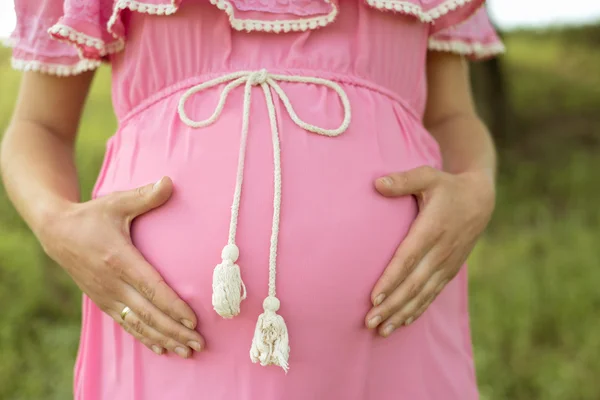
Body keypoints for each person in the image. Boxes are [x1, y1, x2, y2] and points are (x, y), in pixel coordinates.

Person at [2, 1, 504, 399]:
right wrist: (56, 223)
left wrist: (476, 188)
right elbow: (38, 127)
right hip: (165, 337)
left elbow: (452, 117)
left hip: (393, 331)